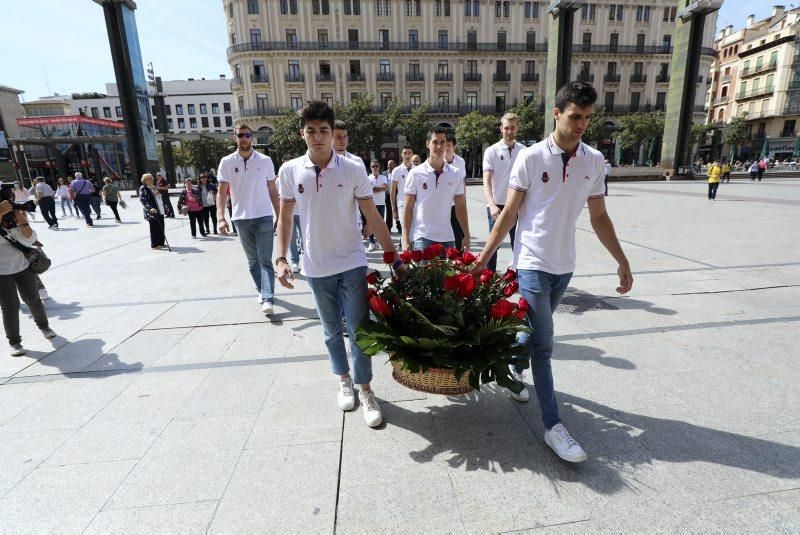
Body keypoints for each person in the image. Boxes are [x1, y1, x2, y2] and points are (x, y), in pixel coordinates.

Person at [471, 81, 633, 463]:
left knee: (529, 334)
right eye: (575, 117)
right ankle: (554, 428)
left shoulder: (594, 161)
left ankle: (511, 368)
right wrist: (483, 258)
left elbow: (599, 216)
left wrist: (622, 260)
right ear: (557, 113)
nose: (581, 125)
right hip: (530, 262)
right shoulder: (529, 158)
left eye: (588, 119)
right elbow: (508, 214)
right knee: (544, 345)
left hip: (565, 267)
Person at [275, 100, 399, 428]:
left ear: (333, 133)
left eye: (324, 131)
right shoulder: (289, 170)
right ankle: (343, 379)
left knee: (360, 330)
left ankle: (366, 389)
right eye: (311, 131)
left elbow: (372, 214)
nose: (318, 137)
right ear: (302, 133)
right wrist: (282, 257)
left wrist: (393, 257)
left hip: (352, 260)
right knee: (331, 331)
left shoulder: (353, 168)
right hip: (316, 265)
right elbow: (285, 217)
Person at [216, 123, 280, 316]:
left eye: (247, 135)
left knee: (265, 260)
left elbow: (272, 190)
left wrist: (280, 215)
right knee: (253, 261)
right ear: (234, 138)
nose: (244, 138)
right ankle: (262, 290)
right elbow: (221, 193)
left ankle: (268, 298)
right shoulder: (226, 162)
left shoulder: (265, 160)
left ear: (252, 137)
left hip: (263, 216)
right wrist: (221, 218)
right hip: (241, 218)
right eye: (240, 135)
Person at [0, 189, 57, 356]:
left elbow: (30, 239)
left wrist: (22, 221)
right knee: (10, 306)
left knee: (33, 299)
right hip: (1, 272)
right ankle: (15, 342)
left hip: (23, 266)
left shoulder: (13, 218)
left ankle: (44, 327)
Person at [402, 126, 470, 252]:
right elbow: (408, 207)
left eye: (442, 142)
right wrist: (405, 238)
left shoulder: (456, 173)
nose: (439, 146)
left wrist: (466, 234)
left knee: (447, 273)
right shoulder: (415, 173)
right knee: (422, 272)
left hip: (447, 238)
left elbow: (460, 206)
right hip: (422, 237)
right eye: (435, 142)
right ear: (428, 144)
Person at [482, 112, 526, 272]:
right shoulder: (491, 151)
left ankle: (520, 280)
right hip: (497, 207)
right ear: (501, 128)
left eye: (512, 128)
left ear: (517, 129)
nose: (509, 131)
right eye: (506, 128)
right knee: (493, 246)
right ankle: (488, 281)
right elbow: (486, 182)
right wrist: (491, 205)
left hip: (518, 206)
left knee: (519, 245)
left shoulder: (524, 151)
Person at [445, 134, 468, 251]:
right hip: (443, 203)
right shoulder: (440, 161)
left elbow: (462, 181)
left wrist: (464, 200)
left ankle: (459, 256)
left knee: (458, 231)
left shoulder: (460, 161)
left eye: (449, 145)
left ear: (455, 146)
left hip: (457, 202)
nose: (446, 148)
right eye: (445, 145)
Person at [391, 146, 415, 236]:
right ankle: (405, 249)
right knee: (405, 230)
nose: (407, 155)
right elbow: (393, 191)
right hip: (402, 204)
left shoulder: (417, 169)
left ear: (412, 154)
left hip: (415, 204)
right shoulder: (396, 170)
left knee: (414, 230)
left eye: (409, 153)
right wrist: (394, 209)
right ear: (402, 155)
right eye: (405, 153)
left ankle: (413, 250)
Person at [139, 173, 167, 249]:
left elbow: (159, 197)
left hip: (159, 209)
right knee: (154, 228)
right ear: (145, 180)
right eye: (149, 178)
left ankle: (161, 242)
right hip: (152, 211)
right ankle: (154, 244)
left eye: (151, 178)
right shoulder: (143, 188)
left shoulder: (153, 187)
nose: (152, 179)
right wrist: (150, 208)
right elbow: (143, 199)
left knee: (161, 225)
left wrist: (164, 205)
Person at [366, 160, 388, 252]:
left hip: (381, 203)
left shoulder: (383, 177)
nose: (375, 167)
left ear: (379, 167)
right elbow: (367, 190)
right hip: (371, 203)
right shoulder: (367, 178)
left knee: (380, 223)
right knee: (370, 222)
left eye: (377, 166)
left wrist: (374, 188)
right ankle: (372, 242)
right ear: (370, 168)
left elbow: (385, 188)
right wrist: (378, 188)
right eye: (373, 166)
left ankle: (379, 241)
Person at [384, 159, 396, 231]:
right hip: (387, 195)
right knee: (389, 211)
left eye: (391, 164)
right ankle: (389, 227)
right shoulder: (383, 174)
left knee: (397, 210)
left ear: (394, 165)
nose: (389, 166)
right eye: (388, 165)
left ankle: (399, 227)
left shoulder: (397, 173)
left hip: (396, 195)